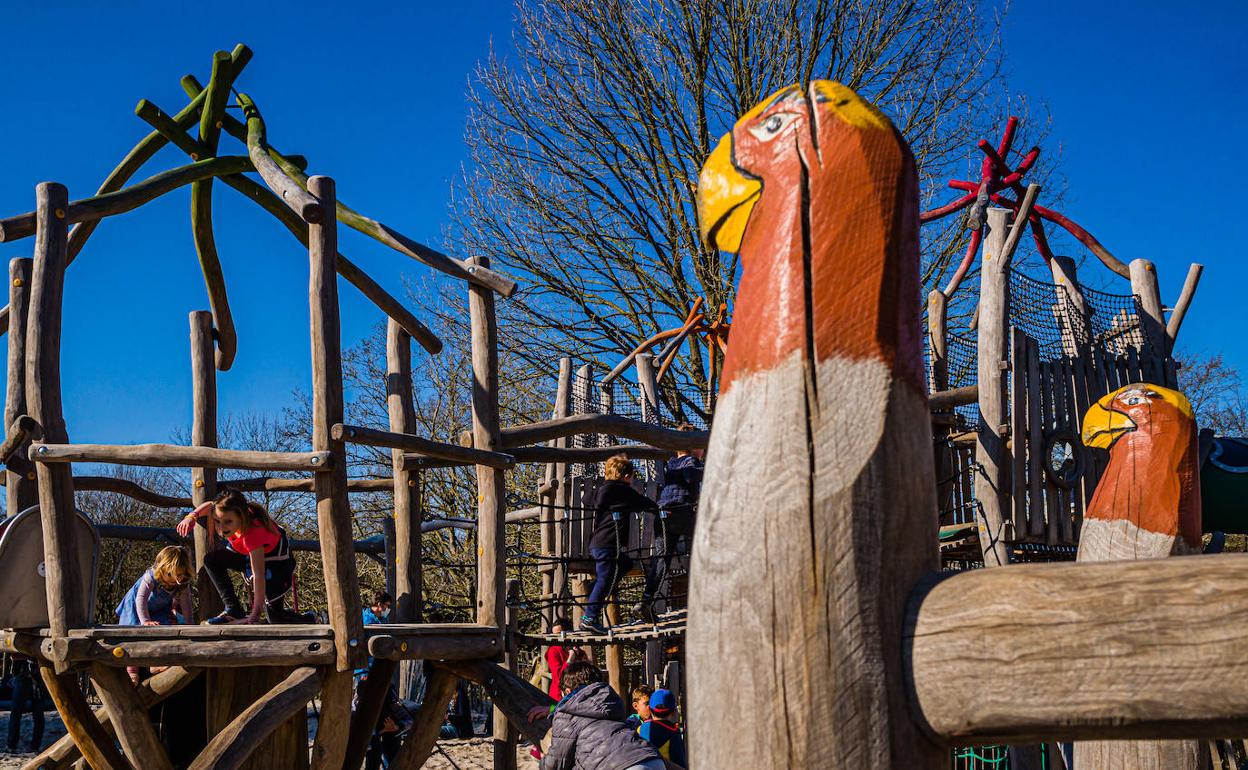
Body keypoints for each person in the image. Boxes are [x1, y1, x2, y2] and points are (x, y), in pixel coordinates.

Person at [175, 488, 304, 624]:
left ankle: (308, 618)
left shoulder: (253, 533)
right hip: (249, 554)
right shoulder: (226, 512)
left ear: (241, 517)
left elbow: (259, 575)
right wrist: (191, 517)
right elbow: (210, 506)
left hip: (275, 564)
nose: (221, 528)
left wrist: (254, 615)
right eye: (217, 521)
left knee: (276, 620)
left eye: (228, 522)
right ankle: (233, 608)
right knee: (211, 560)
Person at [528, 661, 663, 770]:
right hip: (652, 759)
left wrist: (542, 760)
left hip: (620, 765)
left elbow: (556, 763)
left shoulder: (565, 714)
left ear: (568, 692)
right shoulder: (612, 703)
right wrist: (553, 709)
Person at [582, 456, 657, 634]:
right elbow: (644, 503)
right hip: (607, 543)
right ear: (625, 476)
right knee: (604, 579)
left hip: (598, 543)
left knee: (625, 564)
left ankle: (594, 590)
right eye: (631, 476)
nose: (631, 480)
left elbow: (586, 499)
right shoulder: (622, 490)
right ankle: (589, 618)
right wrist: (660, 509)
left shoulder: (603, 488)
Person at [636, 428, 704, 622]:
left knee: (661, 559)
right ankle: (704, 595)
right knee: (702, 548)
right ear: (693, 446)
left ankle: (646, 601)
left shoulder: (672, 463)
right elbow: (691, 477)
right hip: (681, 512)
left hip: (664, 514)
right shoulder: (691, 461)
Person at [115, 546, 194, 682]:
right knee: (133, 635)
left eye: (180, 575)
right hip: (135, 607)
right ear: (161, 568)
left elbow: (186, 603)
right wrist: (145, 620)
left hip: (158, 609)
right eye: (170, 575)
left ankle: (156, 662)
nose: (175, 580)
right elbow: (141, 598)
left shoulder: (182, 582)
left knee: (165, 628)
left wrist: (189, 624)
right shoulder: (151, 576)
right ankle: (132, 671)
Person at [637, 689, 687, 767]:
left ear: (650, 709)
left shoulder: (640, 729)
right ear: (673, 712)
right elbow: (679, 763)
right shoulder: (673, 732)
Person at [5, 659, 45, 753]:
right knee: (16, 713)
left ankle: (35, 746)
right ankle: (12, 744)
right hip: (24, 675)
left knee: (38, 715)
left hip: (37, 675)